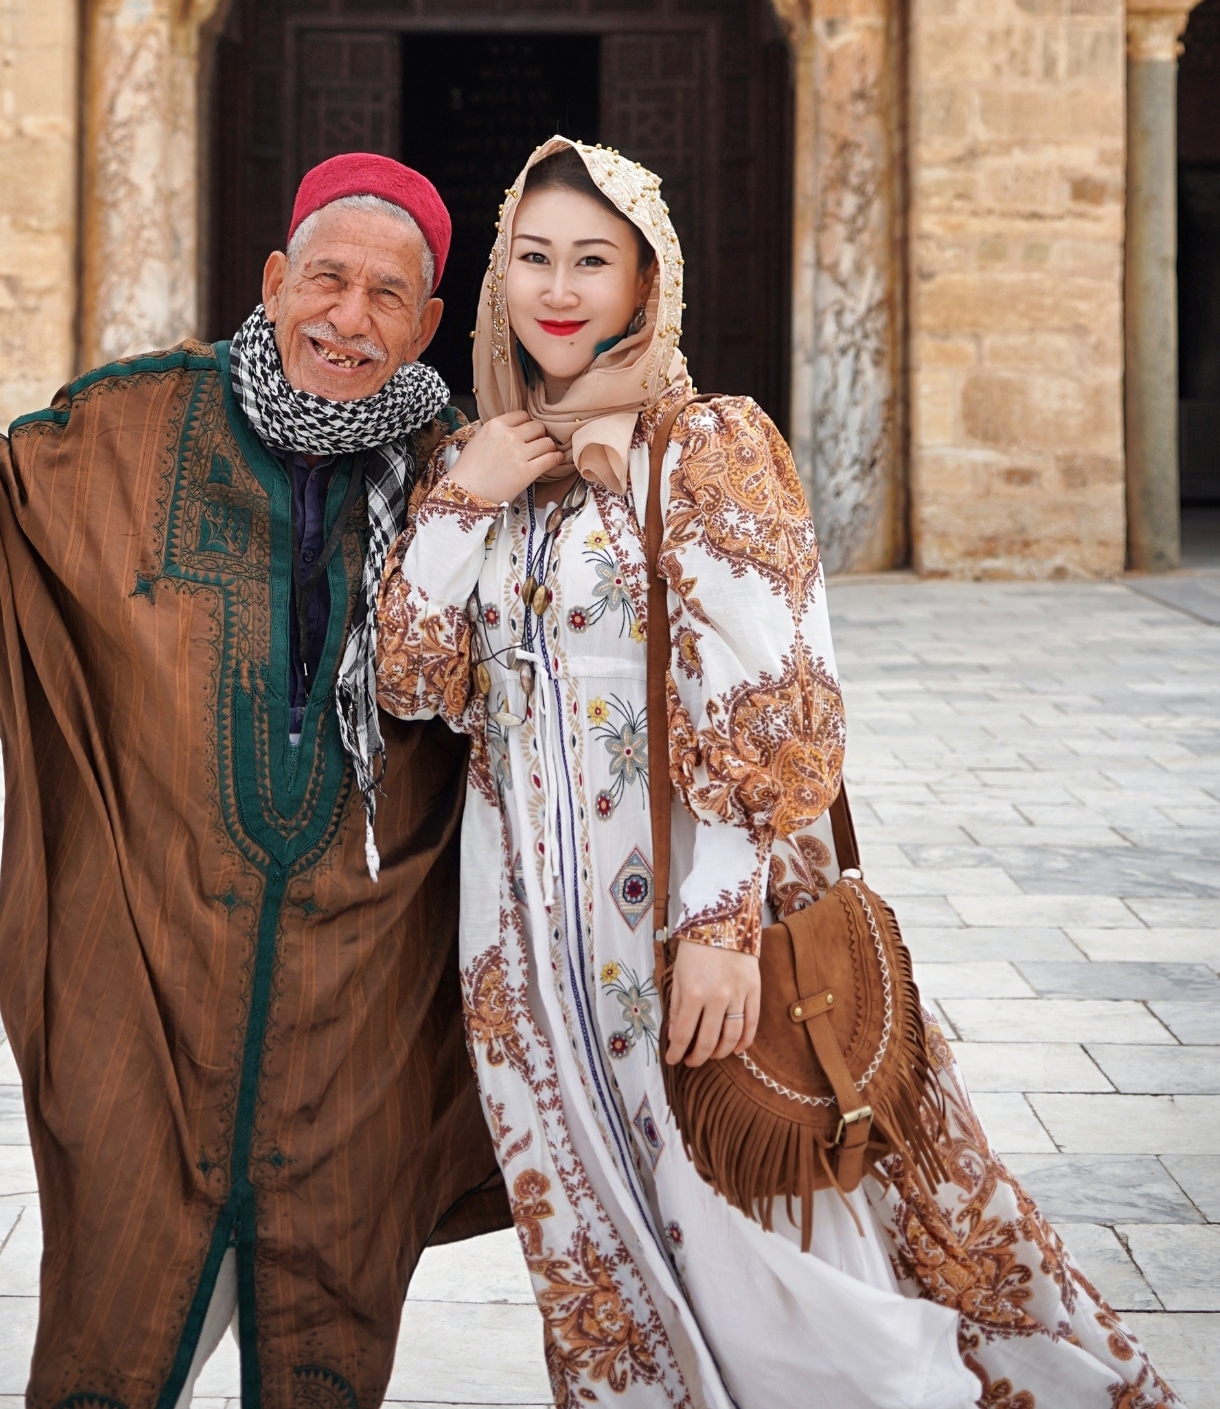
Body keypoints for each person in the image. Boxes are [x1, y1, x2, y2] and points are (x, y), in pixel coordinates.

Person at [375, 136, 1174, 1409]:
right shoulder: (487, 467)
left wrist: (718, 931)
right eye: (533, 258)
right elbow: (415, 685)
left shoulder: (710, 449)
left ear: (647, 283)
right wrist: (463, 502)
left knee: (763, 1242)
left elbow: (772, 707)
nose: (560, 289)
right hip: (529, 947)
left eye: (595, 260)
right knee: (606, 1238)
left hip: (684, 930)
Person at [0, 153, 507, 1409]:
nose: (349, 316)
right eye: (327, 278)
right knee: (115, 1319)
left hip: (361, 1010)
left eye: (389, 296)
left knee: (330, 1323)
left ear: (430, 324)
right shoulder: (134, 421)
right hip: (145, 979)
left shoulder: (464, 475)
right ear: (274, 282)